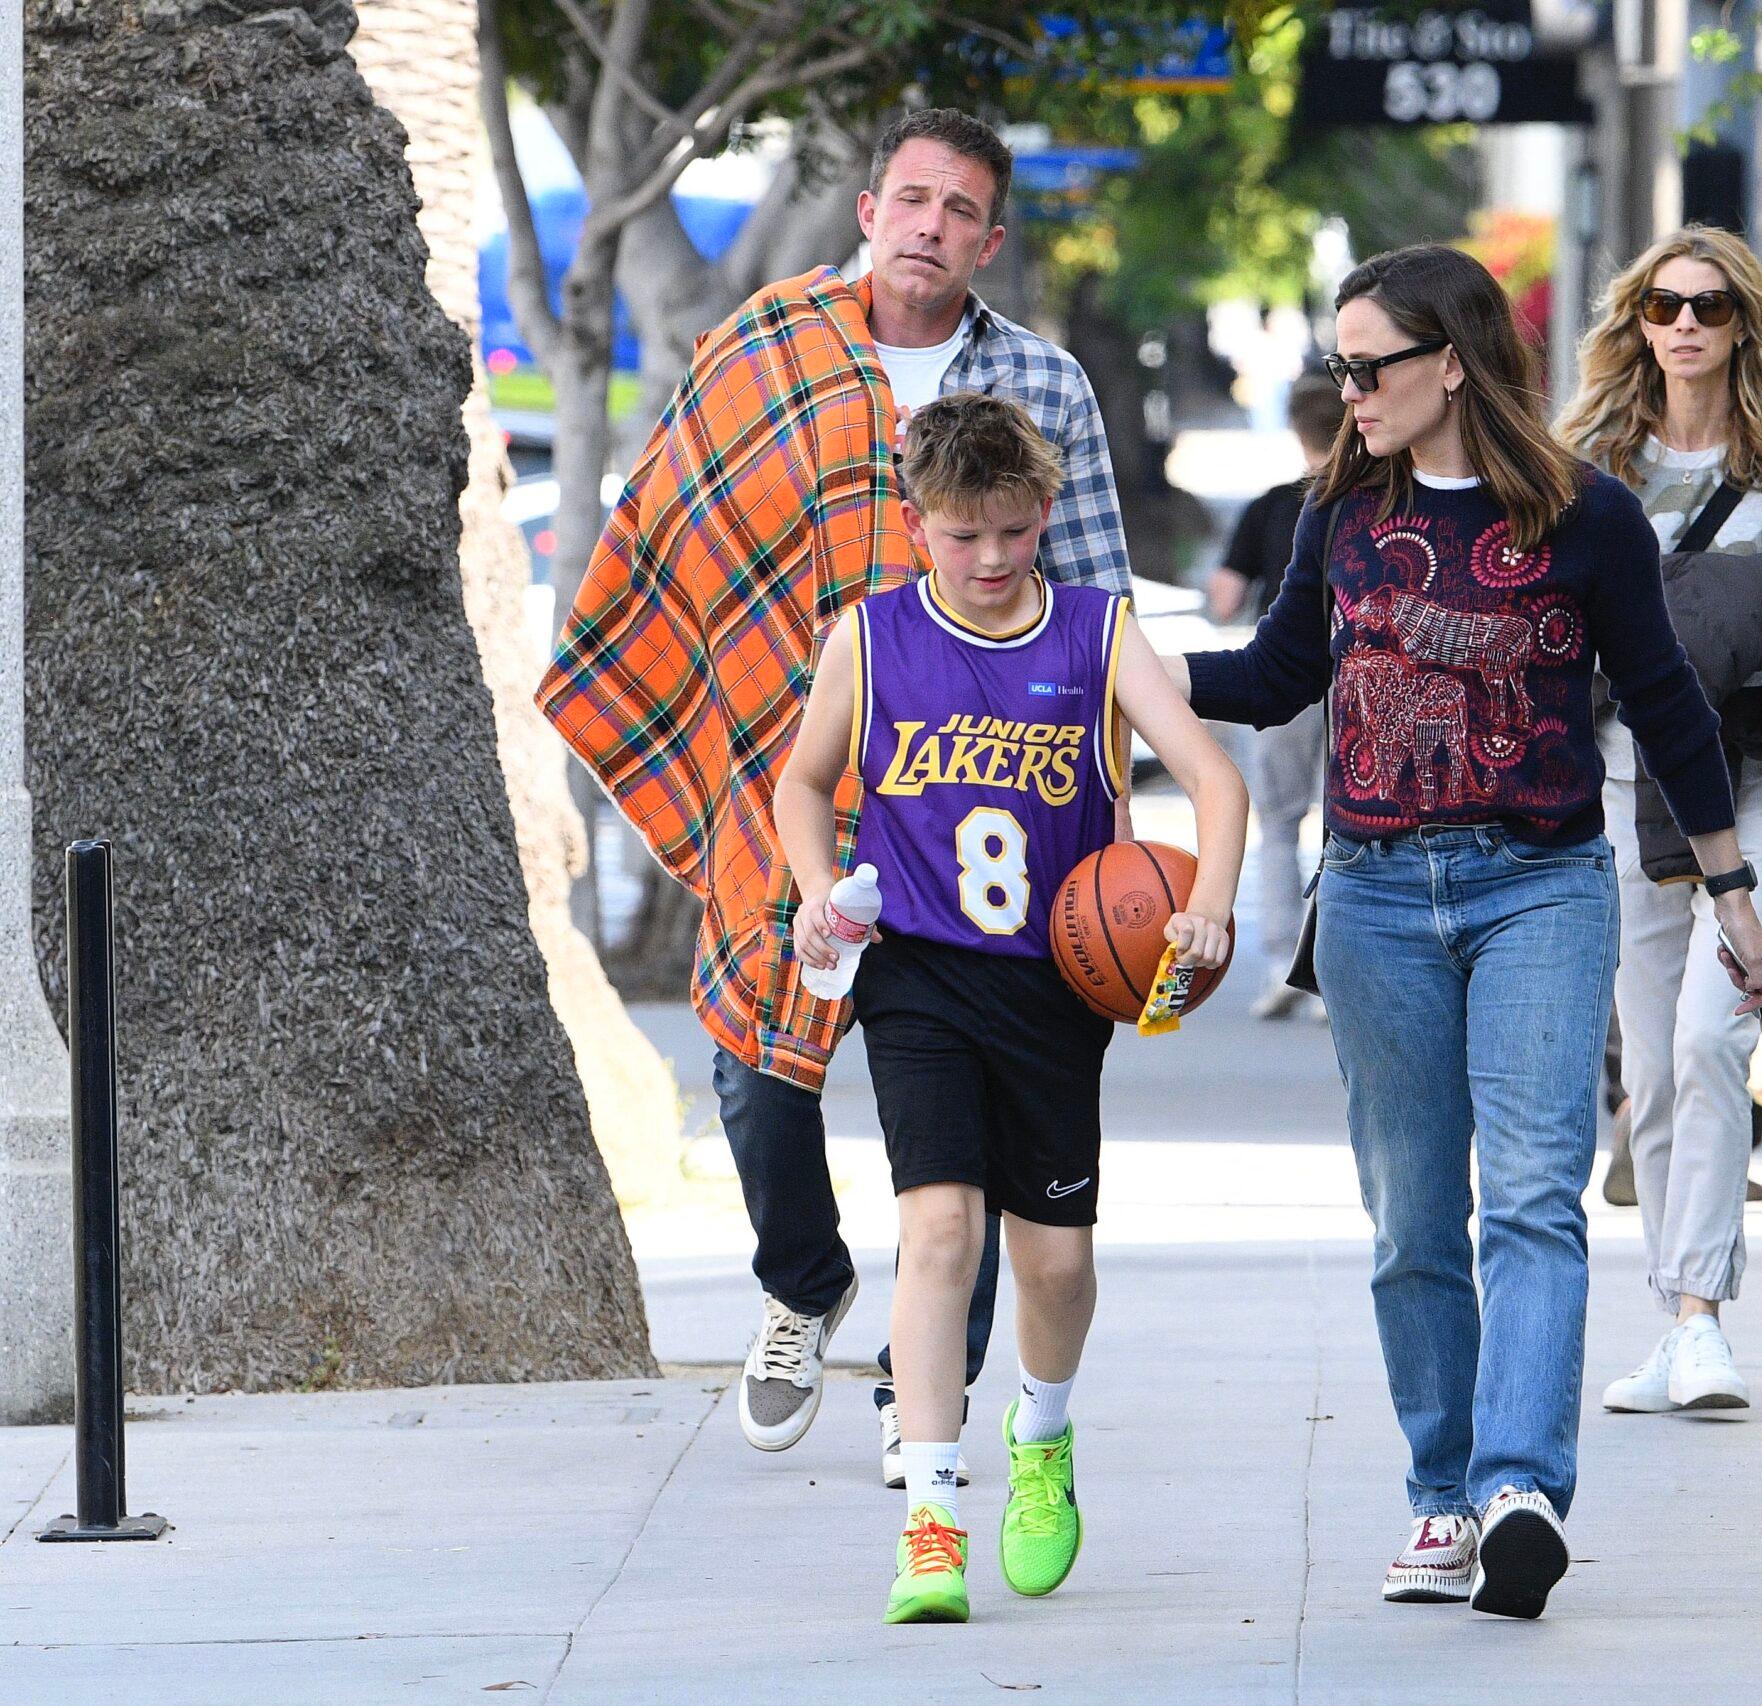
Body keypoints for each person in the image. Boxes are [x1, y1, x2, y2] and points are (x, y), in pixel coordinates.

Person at [1164, 245, 1762, 1620]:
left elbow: (1667, 700)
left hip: (1541, 886)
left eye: (1369, 364)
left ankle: (1517, 1489)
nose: (1349, 389)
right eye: (1339, 364)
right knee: (1409, 1221)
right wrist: (1127, 672)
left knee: (1534, 1197)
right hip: (1376, 895)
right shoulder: (1341, 507)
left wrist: (1730, 886)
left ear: (1450, 362)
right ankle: (1439, 1497)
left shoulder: (1587, 516)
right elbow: (1277, 675)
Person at [538, 107, 1133, 1485]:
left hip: (980, 795)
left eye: (961, 207)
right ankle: (803, 1282)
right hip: (787, 776)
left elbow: (1094, 596)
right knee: (753, 1073)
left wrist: (1105, 816)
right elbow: (678, 524)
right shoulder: (763, 346)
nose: (931, 223)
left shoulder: (1043, 384)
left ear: (992, 237)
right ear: (870, 210)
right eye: (911, 197)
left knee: (971, 1130)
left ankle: (928, 1392)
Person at [775, 393, 1246, 1625]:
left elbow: (1211, 776)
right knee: (938, 1232)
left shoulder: (1098, 632)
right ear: (916, 523)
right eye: (960, 534)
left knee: (1056, 1261)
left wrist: (1212, 906)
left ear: (1046, 513)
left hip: (1056, 978)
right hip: (919, 971)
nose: (988, 560)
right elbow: (802, 781)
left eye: (1012, 532)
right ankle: (931, 1516)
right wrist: (824, 885)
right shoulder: (871, 637)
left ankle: (1043, 1432)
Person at [1553, 225, 1762, 1418]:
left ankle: (1701, 1319)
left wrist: (1669, 658)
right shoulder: (1589, 456)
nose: (1684, 324)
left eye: (1710, 307)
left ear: (1743, 324)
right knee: (1656, 1069)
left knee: (1713, 1037)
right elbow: (1552, 615)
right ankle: (1677, 1317)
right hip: (1624, 788)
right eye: (1664, 305)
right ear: (1635, 320)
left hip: (1755, 779)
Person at [1205, 374, 1346, 1019]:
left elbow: (1227, 597)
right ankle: (1332, 971)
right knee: (1346, 826)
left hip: (1283, 677)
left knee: (1279, 822)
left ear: (1296, 430)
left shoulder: (1269, 506)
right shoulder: (1369, 499)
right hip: (1357, 671)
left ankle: (1282, 962)